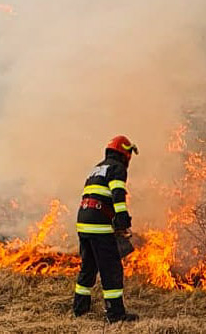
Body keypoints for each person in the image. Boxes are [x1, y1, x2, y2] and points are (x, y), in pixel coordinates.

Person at [72, 135, 140, 323]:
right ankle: (116, 315)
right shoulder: (117, 168)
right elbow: (118, 193)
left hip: (84, 221)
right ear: (124, 153)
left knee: (88, 267)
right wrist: (122, 220)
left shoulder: (97, 169)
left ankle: (80, 309)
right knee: (111, 270)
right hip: (98, 224)